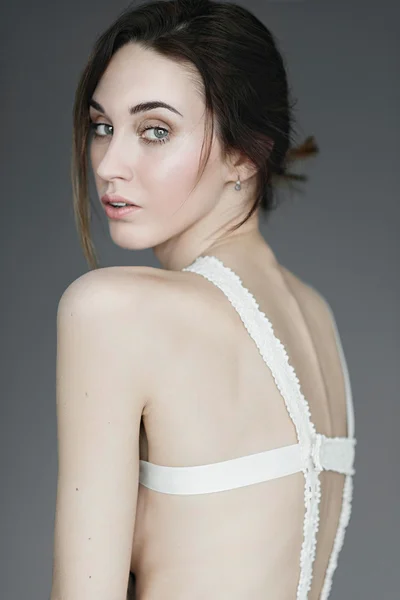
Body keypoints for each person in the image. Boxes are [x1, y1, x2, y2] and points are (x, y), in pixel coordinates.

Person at [51, 1, 356, 599]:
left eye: (155, 131)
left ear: (245, 153)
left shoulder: (112, 310)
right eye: (102, 125)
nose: (110, 164)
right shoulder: (317, 319)